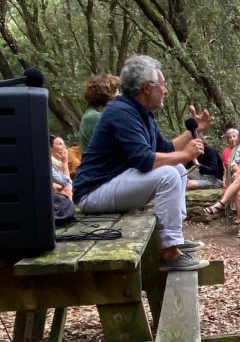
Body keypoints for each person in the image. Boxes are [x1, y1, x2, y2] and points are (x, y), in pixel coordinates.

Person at [72, 55, 209, 271]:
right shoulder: (121, 112)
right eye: (162, 85)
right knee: (169, 174)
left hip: (113, 183)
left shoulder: (142, 113)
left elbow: (165, 149)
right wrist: (186, 154)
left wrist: (194, 132)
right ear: (147, 87)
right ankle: (169, 252)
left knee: (176, 168)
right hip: (93, 192)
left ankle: (175, 239)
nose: (166, 91)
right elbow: (144, 160)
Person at [79, 74, 121, 152]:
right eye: (117, 96)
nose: (119, 99)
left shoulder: (95, 115)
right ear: (106, 96)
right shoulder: (93, 117)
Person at [50, 135, 73, 199]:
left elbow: (69, 183)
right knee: (67, 190)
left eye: (64, 144)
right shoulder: (48, 164)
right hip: (51, 197)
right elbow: (67, 183)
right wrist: (65, 163)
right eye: (60, 144)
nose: (64, 147)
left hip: (59, 195)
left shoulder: (60, 163)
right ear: (51, 148)